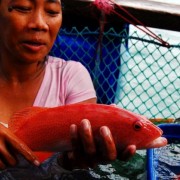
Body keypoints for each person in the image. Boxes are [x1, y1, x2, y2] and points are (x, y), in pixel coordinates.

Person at [0, 0, 161, 178]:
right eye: (23, 8)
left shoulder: (71, 76)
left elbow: (66, 167)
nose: (39, 24)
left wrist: (67, 163)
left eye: (52, 12)